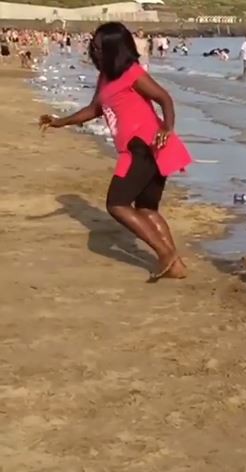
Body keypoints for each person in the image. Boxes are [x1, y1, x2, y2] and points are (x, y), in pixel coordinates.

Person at [39, 22, 192, 281]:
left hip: (143, 147)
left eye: (99, 47)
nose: (94, 51)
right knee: (147, 209)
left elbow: (164, 98)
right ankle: (174, 265)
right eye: (93, 46)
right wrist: (60, 121)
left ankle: (165, 254)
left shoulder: (132, 73)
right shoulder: (105, 77)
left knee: (117, 204)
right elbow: (94, 109)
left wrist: (167, 127)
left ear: (115, 48)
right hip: (141, 149)